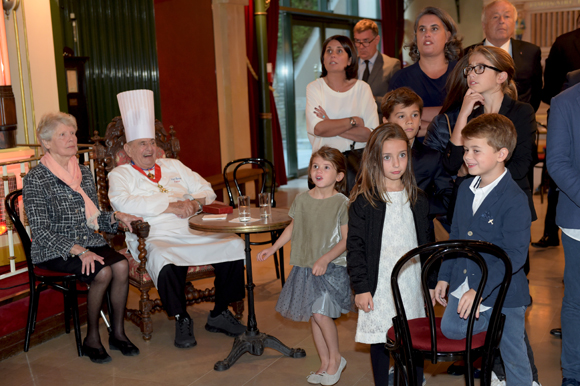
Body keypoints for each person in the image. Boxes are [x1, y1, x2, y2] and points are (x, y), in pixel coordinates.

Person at [107, 90, 246, 349]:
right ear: (127, 149)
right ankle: (182, 318)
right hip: (155, 234)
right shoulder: (120, 175)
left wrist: (193, 203)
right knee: (165, 257)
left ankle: (219, 313)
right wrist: (170, 206)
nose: (149, 148)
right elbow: (124, 203)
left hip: (194, 228)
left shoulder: (174, 166)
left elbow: (207, 190)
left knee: (234, 245)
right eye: (141, 143)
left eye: (151, 142)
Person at [23, 112, 142, 364]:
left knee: (120, 265)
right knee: (103, 272)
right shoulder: (36, 178)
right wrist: (77, 249)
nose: (71, 139)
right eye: (62, 134)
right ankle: (92, 339)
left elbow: (95, 217)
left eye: (73, 133)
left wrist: (118, 218)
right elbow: (40, 230)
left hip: (88, 241)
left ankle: (118, 333)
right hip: (54, 249)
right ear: (46, 142)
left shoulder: (83, 173)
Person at [434, 113, 533, 386]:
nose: (467, 156)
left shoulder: (515, 199)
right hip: (466, 278)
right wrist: (445, 275)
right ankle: (492, 328)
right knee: (451, 329)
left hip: (504, 291)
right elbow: (456, 238)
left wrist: (481, 291)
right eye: (466, 149)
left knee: (514, 354)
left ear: (501, 153)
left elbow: (515, 255)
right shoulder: (465, 188)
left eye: (476, 150)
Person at [257, 146, 352, 386]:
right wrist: (273, 247)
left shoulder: (342, 203)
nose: (319, 171)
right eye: (315, 166)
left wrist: (325, 258)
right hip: (306, 267)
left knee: (321, 313)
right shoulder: (302, 199)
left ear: (339, 176)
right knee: (314, 315)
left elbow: (346, 240)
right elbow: (293, 227)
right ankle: (324, 362)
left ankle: (336, 359)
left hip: (331, 268)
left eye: (326, 167)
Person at [347, 123, 434, 385]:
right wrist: (361, 287)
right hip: (379, 284)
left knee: (413, 338)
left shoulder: (417, 199)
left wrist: (429, 283)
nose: (396, 163)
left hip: (410, 283)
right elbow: (356, 248)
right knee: (382, 340)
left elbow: (427, 244)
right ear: (375, 159)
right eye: (387, 157)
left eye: (402, 155)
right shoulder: (365, 202)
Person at [444, 45, 536, 222]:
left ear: (501, 77)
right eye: (470, 68)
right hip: (470, 202)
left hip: (508, 202)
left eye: (480, 68)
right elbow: (451, 164)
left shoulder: (521, 112)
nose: (471, 74)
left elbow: (521, 166)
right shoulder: (470, 114)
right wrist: (463, 114)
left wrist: (471, 171)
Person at [307, 35, 379, 193]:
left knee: (354, 215)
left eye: (339, 51)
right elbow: (318, 129)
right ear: (323, 60)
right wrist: (353, 121)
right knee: (324, 215)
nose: (333, 54)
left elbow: (370, 134)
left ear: (349, 60)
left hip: (356, 166)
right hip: (322, 167)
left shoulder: (362, 88)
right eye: (329, 51)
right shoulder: (314, 88)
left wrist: (330, 123)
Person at [546, 82, 580, 386]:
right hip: (579, 219)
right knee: (578, 300)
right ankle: (574, 373)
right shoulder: (565, 102)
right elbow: (556, 162)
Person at [388, 6, 463, 136]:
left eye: (434, 29)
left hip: (460, 153)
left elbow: (473, 117)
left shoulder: (463, 74)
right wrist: (452, 118)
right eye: (422, 29)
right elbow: (396, 125)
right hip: (414, 154)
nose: (427, 34)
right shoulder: (400, 78)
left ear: (448, 36)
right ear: (416, 37)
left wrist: (413, 114)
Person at [381, 87, 452, 216]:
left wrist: (413, 203)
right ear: (386, 121)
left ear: (420, 121)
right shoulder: (372, 156)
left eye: (414, 115)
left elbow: (447, 200)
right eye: (402, 116)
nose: (409, 121)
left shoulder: (432, 157)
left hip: (419, 228)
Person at [464, 0, 543, 112]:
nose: (501, 21)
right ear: (484, 25)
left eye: (507, 16)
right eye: (495, 17)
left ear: (514, 23)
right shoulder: (467, 54)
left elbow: (536, 92)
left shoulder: (531, 52)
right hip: (479, 120)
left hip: (520, 120)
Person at [353, 19, 401, 120]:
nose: (361, 47)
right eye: (357, 41)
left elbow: (397, 102)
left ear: (376, 40)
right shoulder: (349, 65)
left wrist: (372, 99)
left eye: (366, 41)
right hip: (351, 125)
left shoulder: (392, 65)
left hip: (379, 126)